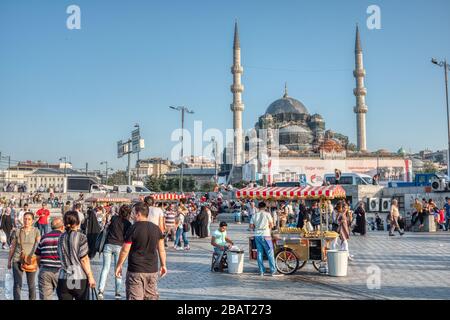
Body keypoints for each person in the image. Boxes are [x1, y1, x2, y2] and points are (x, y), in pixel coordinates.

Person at [115, 202, 167, 300]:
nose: (132, 216)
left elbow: (125, 250)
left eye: (133, 213)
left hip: (136, 270)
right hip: (152, 271)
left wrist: (119, 265)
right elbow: (161, 249)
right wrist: (163, 265)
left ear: (138, 214)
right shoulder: (156, 229)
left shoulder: (133, 228)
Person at [57, 211, 96, 300]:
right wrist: (90, 276)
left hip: (64, 277)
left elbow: (59, 255)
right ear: (77, 222)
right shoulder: (81, 237)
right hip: (78, 277)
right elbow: (84, 259)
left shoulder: (60, 238)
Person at [98, 205, 132, 300]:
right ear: (128, 213)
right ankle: (117, 292)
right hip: (119, 247)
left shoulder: (114, 218)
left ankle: (100, 290)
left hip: (108, 245)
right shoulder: (128, 224)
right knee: (118, 269)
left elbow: (107, 227)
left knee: (105, 268)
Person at [7, 212, 41, 300]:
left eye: (29, 219)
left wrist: (39, 260)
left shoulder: (36, 231)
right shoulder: (18, 231)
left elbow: (39, 244)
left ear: (32, 221)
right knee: (17, 284)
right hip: (17, 259)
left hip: (31, 260)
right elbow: (13, 247)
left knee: (31, 285)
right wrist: (9, 261)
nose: (26, 221)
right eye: (25, 219)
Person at [250, 202, 283, 277]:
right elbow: (272, 225)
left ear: (258, 207)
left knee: (259, 253)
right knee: (270, 252)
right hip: (266, 235)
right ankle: (273, 271)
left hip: (257, 235)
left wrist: (257, 227)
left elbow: (251, 226)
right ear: (265, 207)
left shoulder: (254, 215)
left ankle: (261, 271)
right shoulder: (267, 214)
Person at [35, 217, 64, 300]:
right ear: (62, 227)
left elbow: (38, 256)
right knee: (64, 296)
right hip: (61, 272)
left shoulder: (44, 237)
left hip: (45, 271)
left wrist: (41, 267)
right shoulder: (65, 237)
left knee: (45, 298)